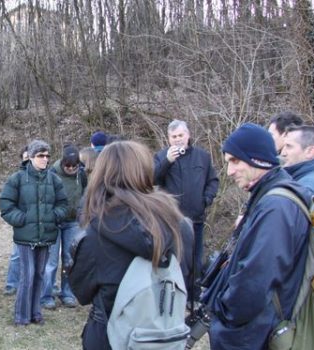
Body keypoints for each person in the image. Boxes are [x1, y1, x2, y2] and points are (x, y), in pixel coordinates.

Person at [70, 141, 193, 349]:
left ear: (102, 174)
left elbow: (81, 292)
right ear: (145, 171)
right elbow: (185, 276)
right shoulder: (180, 225)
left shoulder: (96, 230)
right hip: (164, 337)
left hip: (110, 337)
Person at [202, 123, 310, 350]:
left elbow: (255, 281)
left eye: (235, 161)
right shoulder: (268, 197)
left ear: (257, 159)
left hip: (252, 335)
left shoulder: (276, 207)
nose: (230, 171)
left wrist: (225, 313)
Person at [0, 140, 68, 326]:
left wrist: (54, 216)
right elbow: (6, 205)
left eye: (47, 156)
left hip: (46, 235)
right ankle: (21, 316)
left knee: (39, 275)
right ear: (30, 157)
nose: (45, 159)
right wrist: (21, 220)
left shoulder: (54, 179)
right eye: (40, 155)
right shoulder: (17, 178)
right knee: (27, 276)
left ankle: (35, 313)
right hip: (25, 237)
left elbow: (63, 204)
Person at [153, 119, 218, 301]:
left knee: (196, 259)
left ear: (188, 135)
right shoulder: (161, 156)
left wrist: (206, 200)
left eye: (181, 135)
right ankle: (174, 293)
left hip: (196, 217)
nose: (177, 140)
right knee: (175, 259)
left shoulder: (202, 156)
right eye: (173, 137)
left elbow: (213, 181)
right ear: (168, 138)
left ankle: (194, 296)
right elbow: (151, 179)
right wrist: (167, 161)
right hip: (172, 220)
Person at [40, 145, 86, 309]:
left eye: (75, 166)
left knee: (69, 260)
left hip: (73, 222)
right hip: (54, 222)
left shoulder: (82, 174)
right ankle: (46, 295)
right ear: (62, 162)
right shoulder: (51, 173)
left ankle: (67, 293)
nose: (71, 169)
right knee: (51, 262)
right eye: (68, 166)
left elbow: (86, 192)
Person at [2, 147, 29, 296]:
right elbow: (8, 202)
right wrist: (18, 218)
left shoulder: (47, 176)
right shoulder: (17, 177)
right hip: (22, 223)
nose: (27, 161)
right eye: (25, 158)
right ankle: (12, 283)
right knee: (17, 254)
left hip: (40, 224)